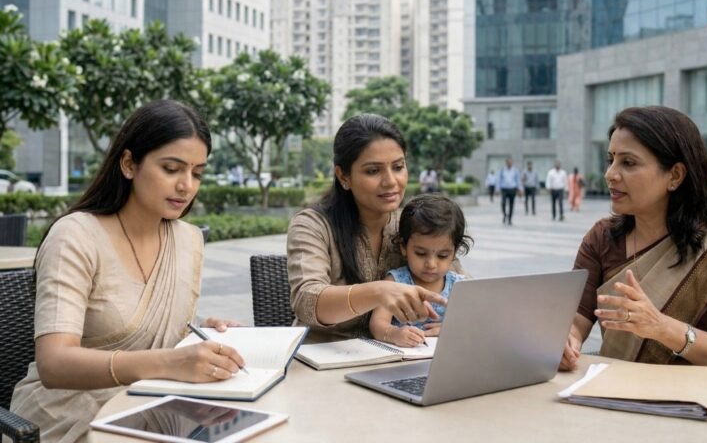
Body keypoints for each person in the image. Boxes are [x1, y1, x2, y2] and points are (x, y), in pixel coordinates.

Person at [10, 100, 246, 442]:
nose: (187, 186)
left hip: (158, 409)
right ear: (129, 163)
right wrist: (170, 363)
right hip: (68, 418)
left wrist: (200, 333)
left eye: (197, 173)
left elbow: (155, 329)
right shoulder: (76, 236)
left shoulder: (188, 239)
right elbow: (54, 363)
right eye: (171, 168)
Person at [560, 106, 707, 395]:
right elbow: (575, 321)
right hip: (615, 398)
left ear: (675, 175)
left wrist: (662, 328)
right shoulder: (602, 239)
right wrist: (565, 342)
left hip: (700, 409)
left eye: (628, 163)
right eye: (611, 160)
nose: (610, 174)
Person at [286, 114, 457, 341]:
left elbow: (464, 289)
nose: (390, 181)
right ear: (343, 176)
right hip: (321, 359)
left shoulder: (412, 224)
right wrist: (379, 292)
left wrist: (453, 323)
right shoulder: (313, 225)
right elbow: (307, 301)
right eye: (373, 171)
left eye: (398, 167)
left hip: (395, 359)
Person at [369, 194, 471, 347]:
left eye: (442, 255)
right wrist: (394, 334)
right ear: (404, 247)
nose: (431, 264)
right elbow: (377, 323)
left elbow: (475, 323)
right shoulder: (395, 282)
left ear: (454, 252)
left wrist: (450, 329)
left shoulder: (460, 287)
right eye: (421, 253)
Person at [496, 157, 522, 226]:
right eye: (508, 162)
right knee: (503, 203)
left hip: (512, 189)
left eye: (511, 162)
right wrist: (497, 189)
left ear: (512, 163)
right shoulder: (502, 170)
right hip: (504, 189)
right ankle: (505, 215)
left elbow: (518, 180)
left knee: (511, 205)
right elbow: (499, 179)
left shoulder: (515, 170)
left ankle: (510, 219)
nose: (510, 163)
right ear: (506, 162)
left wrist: (520, 189)